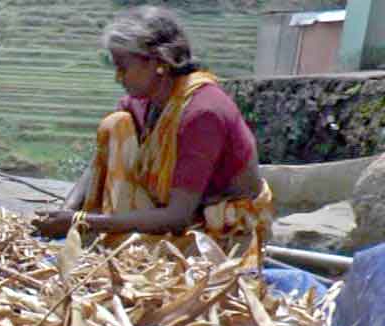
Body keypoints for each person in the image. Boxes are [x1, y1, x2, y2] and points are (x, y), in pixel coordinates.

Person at [33, 6, 273, 253]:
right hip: (170, 214)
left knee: (126, 253)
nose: (118, 77)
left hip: (217, 229)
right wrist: (68, 210)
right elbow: (99, 162)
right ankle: (112, 237)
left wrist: (81, 222)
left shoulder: (202, 113)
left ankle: (117, 241)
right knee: (115, 125)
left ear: (158, 62)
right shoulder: (142, 102)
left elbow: (178, 215)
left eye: (123, 67)